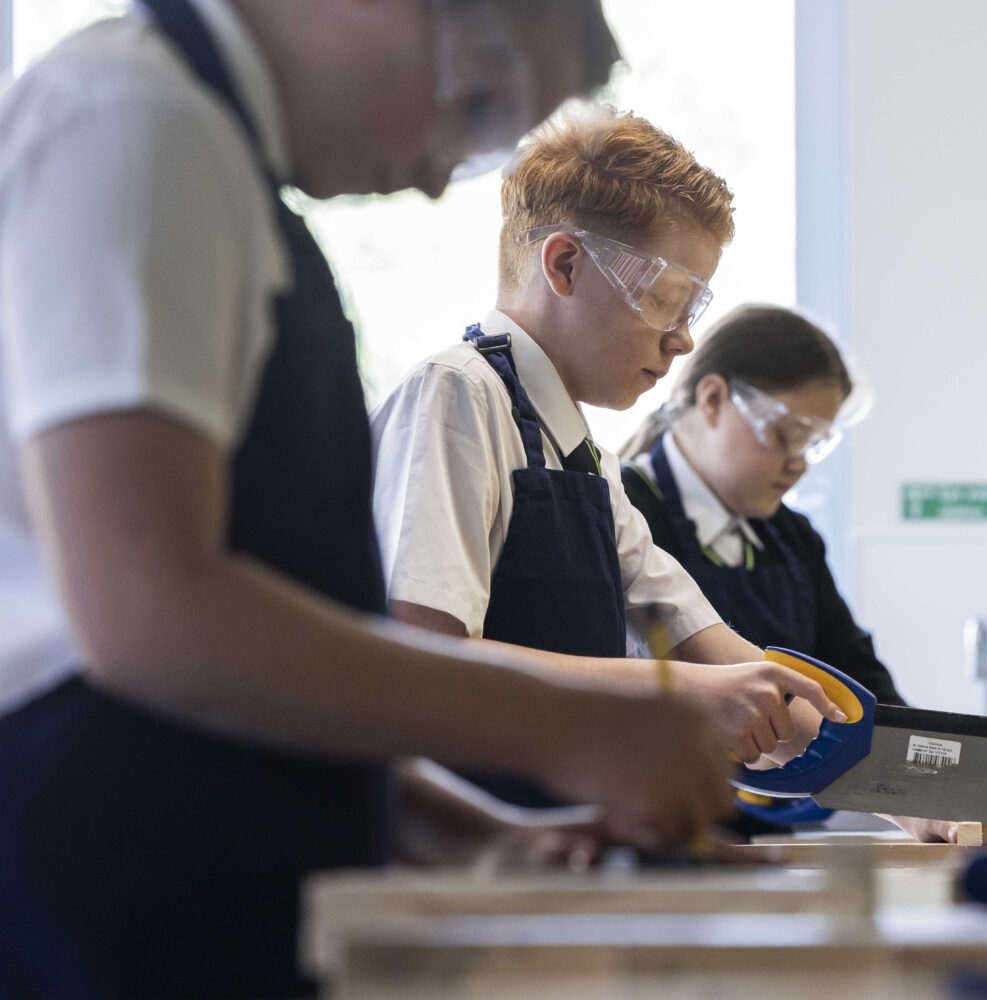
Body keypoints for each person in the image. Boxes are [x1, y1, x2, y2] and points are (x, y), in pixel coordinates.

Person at [0, 2, 730, 996]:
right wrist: (572, 725)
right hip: (114, 897)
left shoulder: (226, 169)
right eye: (469, 103)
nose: (437, 179)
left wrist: (478, 837)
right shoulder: (133, 122)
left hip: (233, 887)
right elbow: (147, 612)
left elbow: (282, 639)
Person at [369, 108, 845, 793]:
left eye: (694, 312)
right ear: (563, 264)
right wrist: (677, 692)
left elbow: (709, 652)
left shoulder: (587, 460)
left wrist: (915, 795)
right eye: (663, 300)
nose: (682, 340)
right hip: (467, 847)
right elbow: (424, 661)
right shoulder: (457, 395)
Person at [619, 304, 987, 852]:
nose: (799, 464)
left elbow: (860, 680)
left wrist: (940, 779)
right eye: (785, 434)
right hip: (660, 832)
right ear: (713, 399)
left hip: (775, 837)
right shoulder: (625, 509)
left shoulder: (792, 538)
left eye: (814, 444)